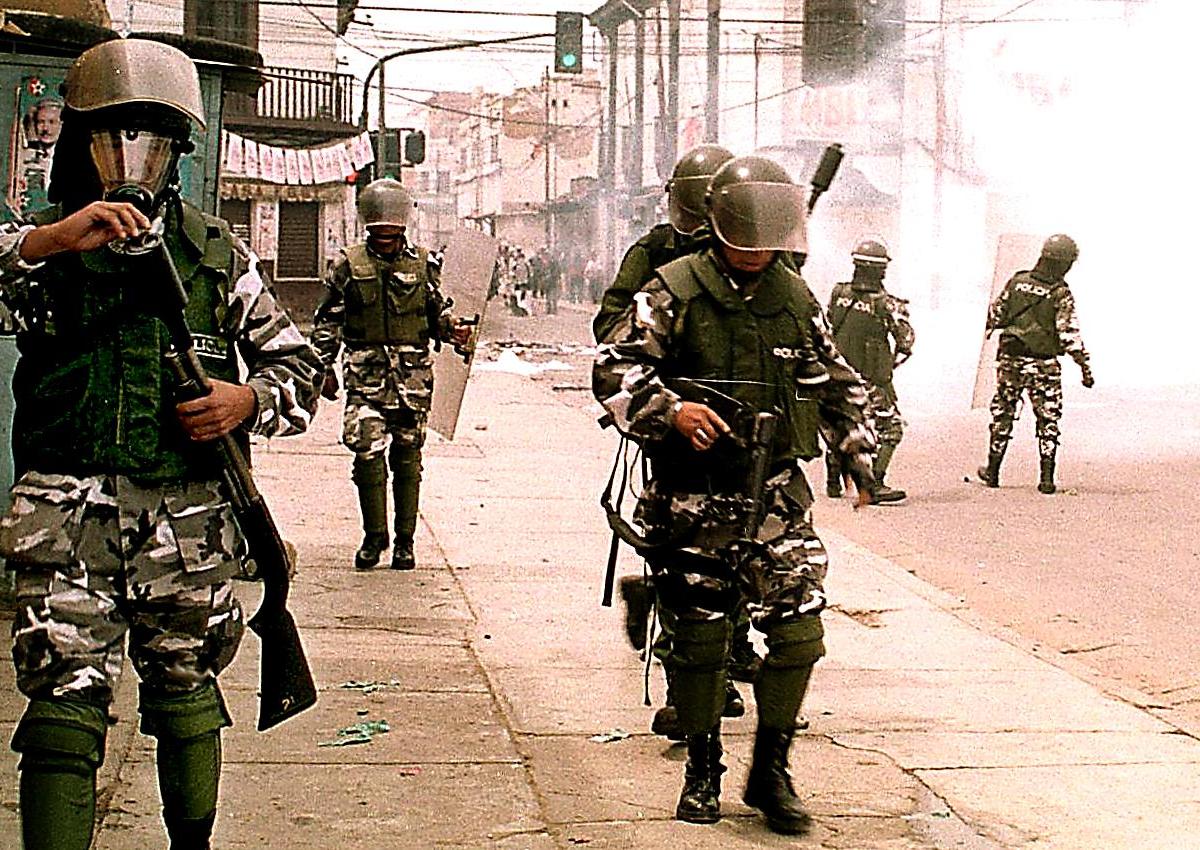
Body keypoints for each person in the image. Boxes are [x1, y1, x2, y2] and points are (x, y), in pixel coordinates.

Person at [0, 38, 321, 850]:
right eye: (111, 138)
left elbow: (303, 370)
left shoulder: (216, 255)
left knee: (186, 699)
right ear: (83, 143)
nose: (129, 159)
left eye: (150, 140)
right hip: (62, 526)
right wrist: (46, 243)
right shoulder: (43, 248)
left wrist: (243, 399)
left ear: (178, 151)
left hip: (186, 523)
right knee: (61, 716)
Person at [593, 155, 876, 834]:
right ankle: (702, 765)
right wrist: (671, 410)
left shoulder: (795, 296)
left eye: (766, 244)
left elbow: (834, 382)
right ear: (716, 228)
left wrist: (859, 453)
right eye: (744, 243)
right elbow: (613, 367)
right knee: (699, 642)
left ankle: (771, 770)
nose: (755, 256)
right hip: (692, 496)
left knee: (800, 632)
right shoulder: (672, 289)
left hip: (776, 499)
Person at [312, 178, 471, 571]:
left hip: (413, 381)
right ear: (368, 225)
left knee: (407, 457)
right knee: (365, 451)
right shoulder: (347, 265)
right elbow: (328, 321)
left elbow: (438, 315)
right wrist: (322, 368)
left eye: (392, 234)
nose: (385, 240)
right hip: (365, 379)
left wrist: (455, 331)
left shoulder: (425, 263)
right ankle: (374, 536)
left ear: (402, 227)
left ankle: (405, 542)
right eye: (378, 234)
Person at [977, 234, 1093, 494]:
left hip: (1010, 360)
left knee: (1003, 413)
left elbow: (995, 315)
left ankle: (993, 471)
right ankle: (1046, 478)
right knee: (1048, 418)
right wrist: (1084, 367)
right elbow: (1069, 336)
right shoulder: (1060, 293)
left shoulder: (1017, 282)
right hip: (1044, 364)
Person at [825, 238, 915, 504]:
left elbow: (829, 323)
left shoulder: (839, 293)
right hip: (870, 379)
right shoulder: (888, 304)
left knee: (845, 424)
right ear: (882, 270)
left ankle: (833, 480)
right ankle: (873, 485)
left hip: (839, 376)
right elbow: (906, 340)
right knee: (892, 428)